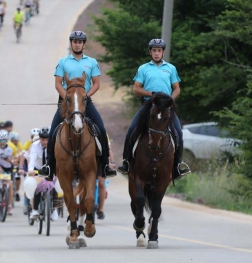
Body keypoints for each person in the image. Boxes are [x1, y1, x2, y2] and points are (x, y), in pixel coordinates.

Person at [37, 31, 117, 179]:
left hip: (84, 101)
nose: (77, 44)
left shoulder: (92, 62)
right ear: (71, 43)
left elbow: (96, 83)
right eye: (74, 41)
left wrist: (85, 97)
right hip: (66, 102)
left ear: (84, 44)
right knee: (53, 130)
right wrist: (68, 98)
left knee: (101, 128)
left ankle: (105, 165)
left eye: (80, 42)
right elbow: (58, 84)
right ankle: (49, 165)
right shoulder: (63, 62)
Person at [117, 38, 191, 179]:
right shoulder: (143, 68)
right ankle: (126, 162)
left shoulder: (170, 68)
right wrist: (151, 94)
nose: (156, 53)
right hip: (148, 105)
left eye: (159, 51)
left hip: (166, 106)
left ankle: (177, 166)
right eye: (154, 51)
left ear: (163, 52)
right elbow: (136, 89)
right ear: (150, 52)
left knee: (178, 133)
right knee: (132, 129)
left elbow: (177, 89)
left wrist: (170, 99)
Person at [26, 127, 58, 221]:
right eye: (43, 139)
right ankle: (35, 210)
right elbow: (32, 158)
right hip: (38, 168)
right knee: (38, 186)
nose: (45, 142)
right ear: (39, 138)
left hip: (50, 168)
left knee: (55, 187)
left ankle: (54, 209)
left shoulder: (54, 145)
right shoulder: (35, 145)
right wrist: (30, 170)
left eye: (47, 140)